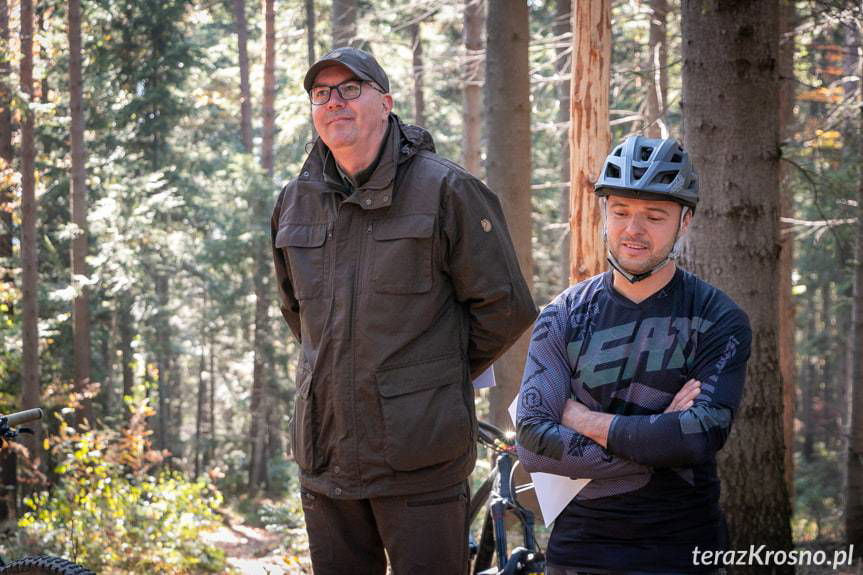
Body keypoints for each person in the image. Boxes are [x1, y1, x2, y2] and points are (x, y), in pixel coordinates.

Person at [271, 47, 537, 575]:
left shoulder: (447, 190)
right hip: (326, 459)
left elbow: (505, 308)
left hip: (420, 462)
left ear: (386, 103)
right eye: (321, 93)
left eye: (351, 88)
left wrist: (428, 379)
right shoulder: (293, 201)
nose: (334, 102)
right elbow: (296, 313)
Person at [516, 136, 749, 574]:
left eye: (654, 216)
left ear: (685, 222)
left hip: (684, 550)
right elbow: (532, 442)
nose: (633, 230)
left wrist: (581, 420)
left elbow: (700, 437)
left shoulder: (718, 318)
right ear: (604, 214)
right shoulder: (562, 315)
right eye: (620, 212)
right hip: (580, 552)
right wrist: (661, 439)